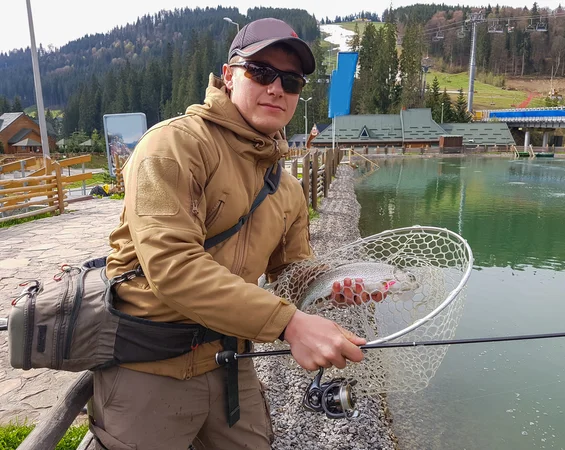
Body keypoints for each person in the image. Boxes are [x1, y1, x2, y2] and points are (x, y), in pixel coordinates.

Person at [89, 18, 367, 450]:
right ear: (228, 75)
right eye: (261, 71)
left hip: (230, 361)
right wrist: (290, 324)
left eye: (291, 81)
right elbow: (174, 268)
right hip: (149, 366)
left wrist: (330, 283)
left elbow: (290, 271)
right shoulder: (174, 147)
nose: (276, 88)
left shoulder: (287, 188)